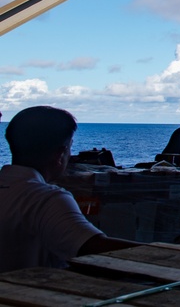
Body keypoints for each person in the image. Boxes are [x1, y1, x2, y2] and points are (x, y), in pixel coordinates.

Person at [0, 106, 137, 272]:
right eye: (69, 147)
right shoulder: (45, 199)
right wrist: (165, 252)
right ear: (60, 154)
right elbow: (93, 248)